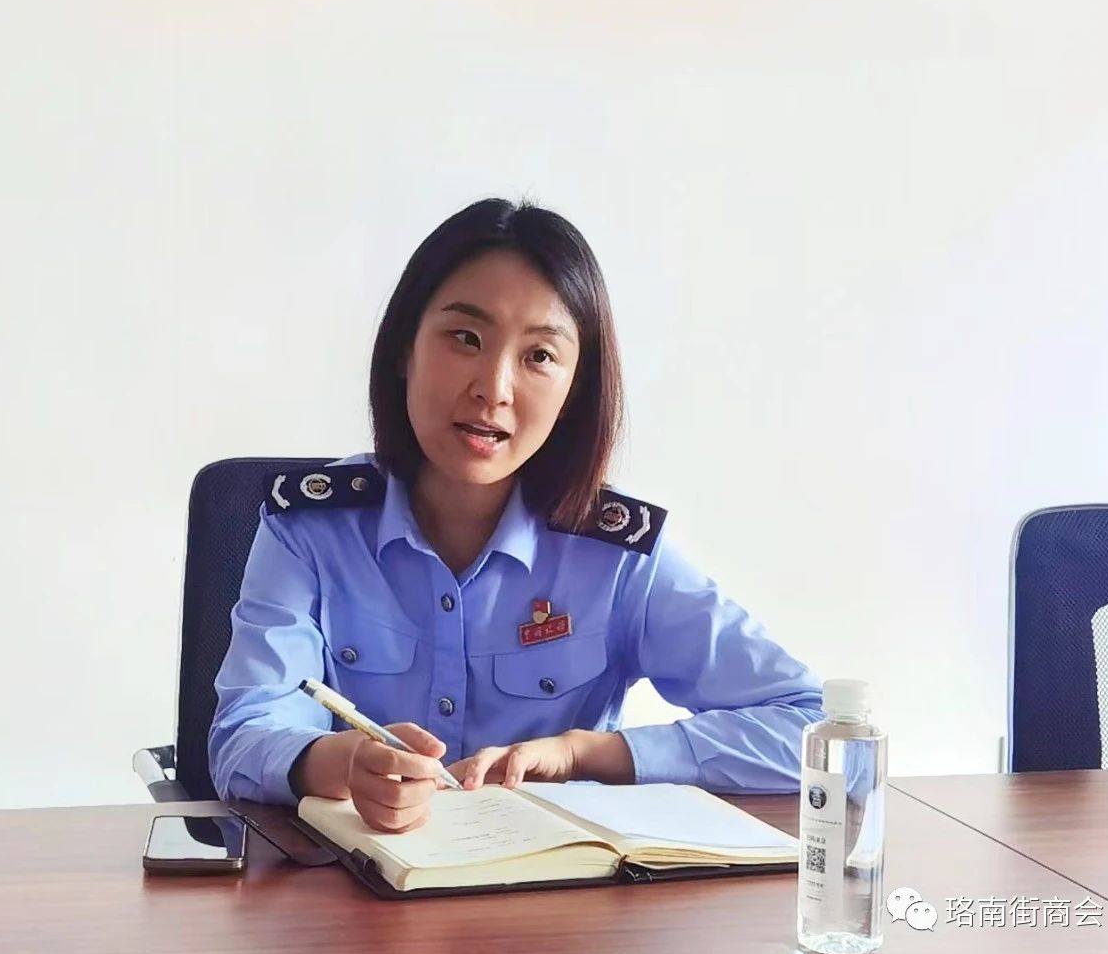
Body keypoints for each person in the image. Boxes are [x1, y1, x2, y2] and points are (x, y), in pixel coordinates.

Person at [209, 198, 823, 833]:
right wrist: (342, 763)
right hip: (354, 880)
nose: (494, 388)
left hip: (556, 885)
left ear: (574, 389)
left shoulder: (614, 553)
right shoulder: (311, 526)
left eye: (540, 356)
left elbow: (817, 732)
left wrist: (586, 755)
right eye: (465, 339)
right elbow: (244, 733)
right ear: (403, 349)